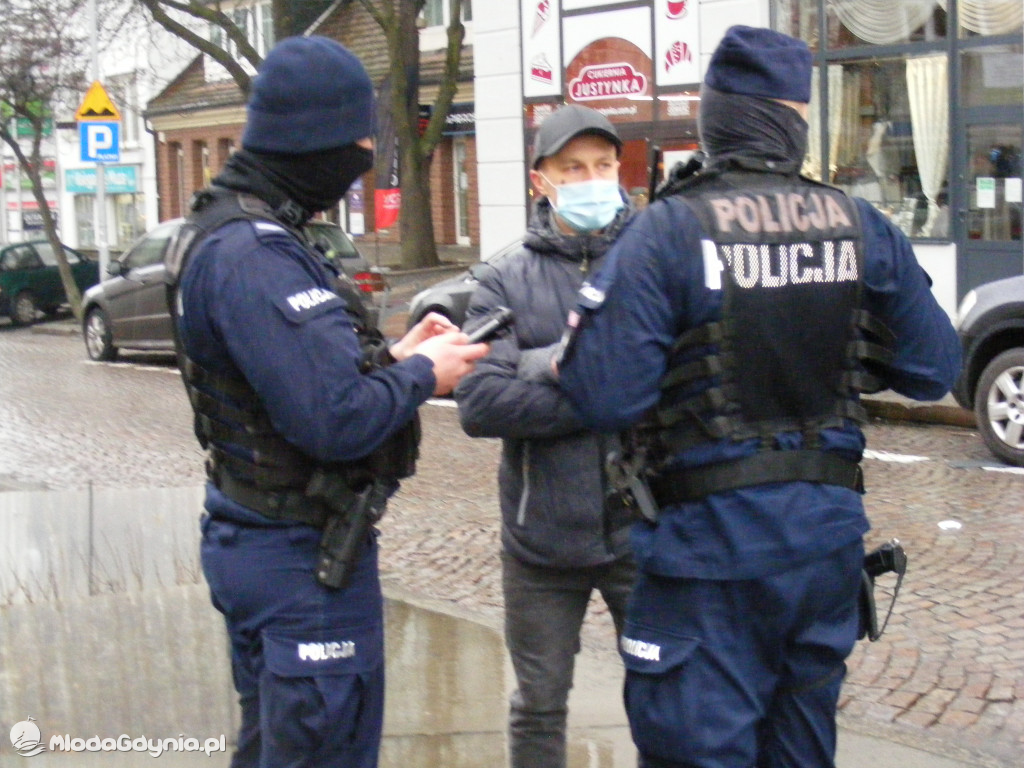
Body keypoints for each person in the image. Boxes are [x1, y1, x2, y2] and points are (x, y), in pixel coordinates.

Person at [557, 26, 962, 768]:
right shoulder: (859, 225)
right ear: (793, 120)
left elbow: (602, 396)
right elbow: (935, 368)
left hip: (706, 564)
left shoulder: (666, 232)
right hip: (823, 557)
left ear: (716, 120)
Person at [167, 36, 488, 768]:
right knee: (322, 746)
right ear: (312, 137)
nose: (368, 151)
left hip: (261, 539)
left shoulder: (230, 232)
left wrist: (398, 357)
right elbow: (333, 418)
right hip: (298, 564)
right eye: (359, 136)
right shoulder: (254, 252)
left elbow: (291, 375)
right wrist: (422, 378)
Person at [453, 104, 637, 768]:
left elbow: (679, 384)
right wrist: (602, 389)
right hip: (540, 543)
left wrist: (546, 368)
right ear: (541, 181)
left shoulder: (651, 264)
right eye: (573, 169)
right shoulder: (503, 278)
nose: (593, 180)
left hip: (641, 530)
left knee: (667, 694)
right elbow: (478, 402)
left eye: (604, 166)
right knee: (538, 704)